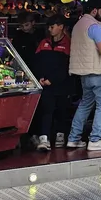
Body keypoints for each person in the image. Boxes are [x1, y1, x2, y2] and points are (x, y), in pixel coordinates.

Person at [66, 0, 101, 151]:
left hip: (84, 74)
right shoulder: (94, 26)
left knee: (84, 105)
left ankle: (73, 138)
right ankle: (96, 139)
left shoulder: (78, 25)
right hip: (99, 72)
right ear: (95, 10)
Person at [31, 16, 71, 151]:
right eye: (48, 27)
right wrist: (40, 77)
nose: (50, 29)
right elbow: (36, 62)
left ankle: (60, 136)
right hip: (45, 84)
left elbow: (67, 66)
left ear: (61, 27)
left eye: (52, 26)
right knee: (46, 110)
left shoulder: (68, 44)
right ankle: (44, 139)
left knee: (61, 110)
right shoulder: (44, 42)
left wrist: (53, 79)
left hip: (61, 84)